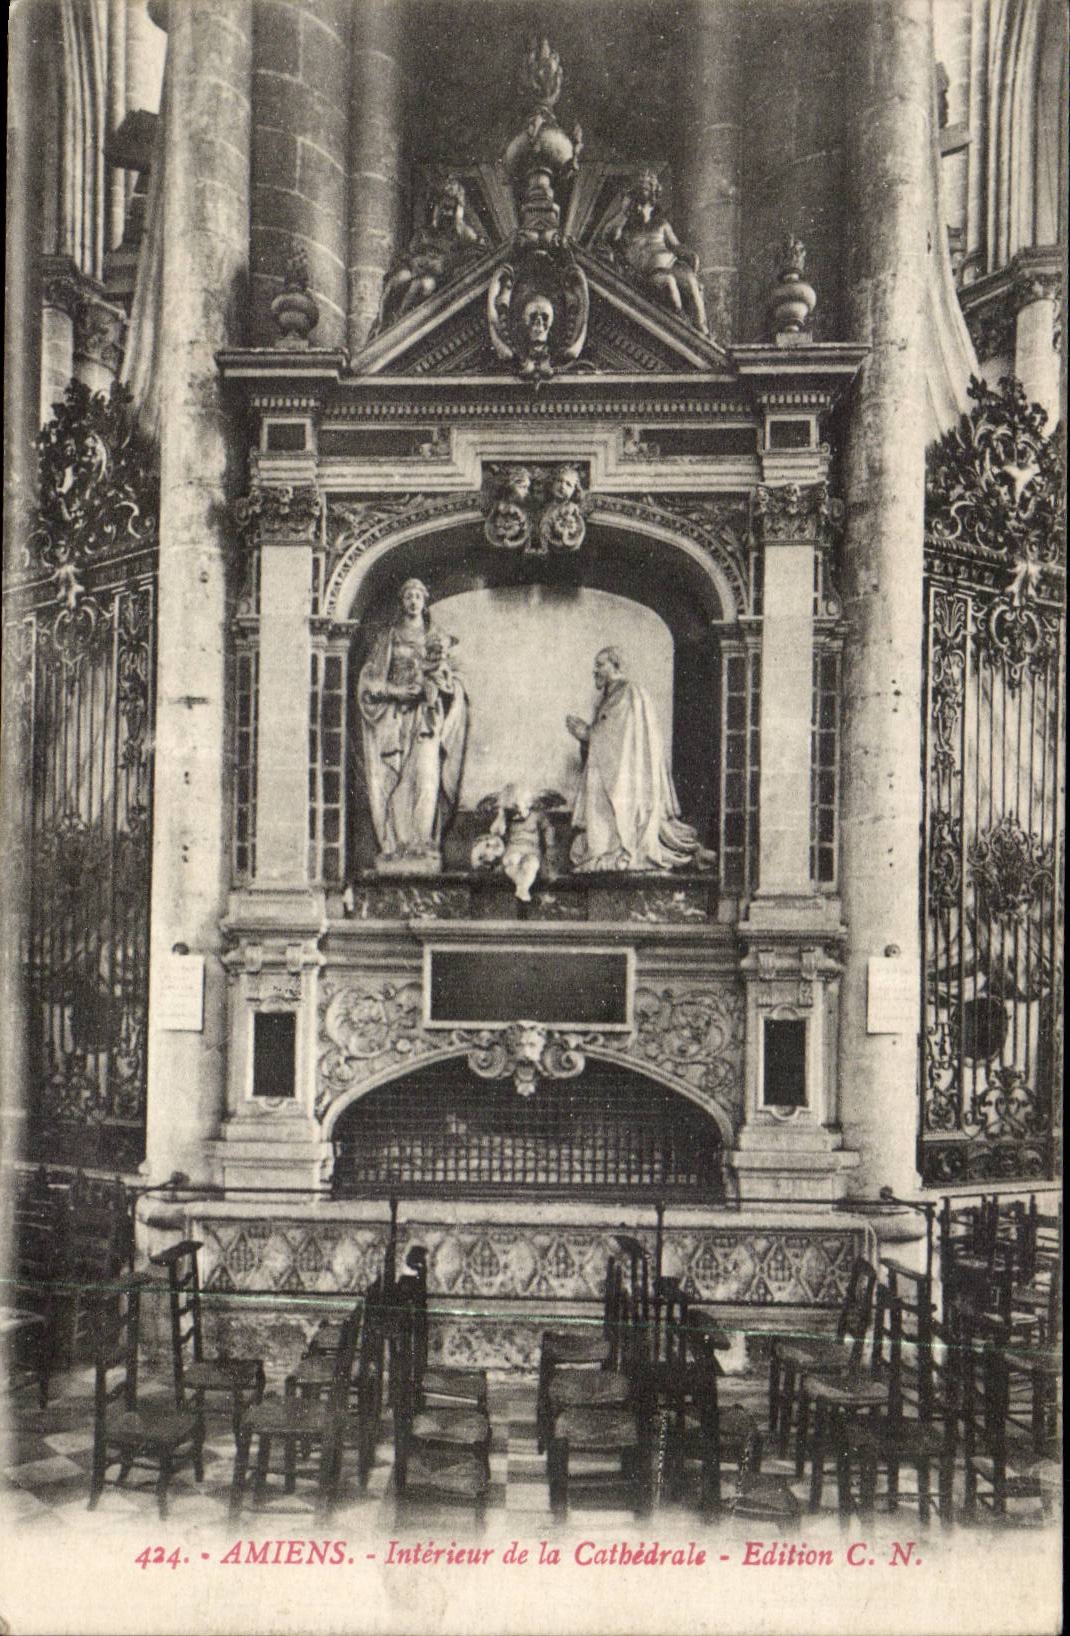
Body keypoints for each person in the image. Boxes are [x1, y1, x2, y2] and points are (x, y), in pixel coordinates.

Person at [565, 646, 712, 872]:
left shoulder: (627, 692)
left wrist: (587, 733)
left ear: (616, 665)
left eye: (600, 664)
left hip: (624, 776)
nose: (595, 670)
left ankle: (621, 851)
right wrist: (587, 738)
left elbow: (618, 738)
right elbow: (607, 735)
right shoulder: (612, 695)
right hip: (609, 773)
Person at [358, 579, 467, 866]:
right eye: (408, 596)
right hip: (394, 719)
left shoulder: (437, 636)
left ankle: (423, 843)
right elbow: (369, 681)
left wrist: (437, 686)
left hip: (426, 718)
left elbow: (452, 681)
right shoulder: (388, 637)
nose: (413, 601)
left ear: (425, 601)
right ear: (402, 601)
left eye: (418, 596)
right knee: (399, 781)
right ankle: (400, 845)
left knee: (427, 776)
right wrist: (395, 691)